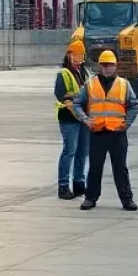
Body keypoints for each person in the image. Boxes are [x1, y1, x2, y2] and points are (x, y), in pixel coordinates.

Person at [71, 49, 138, 211]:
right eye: (104, 65)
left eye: (110, 65)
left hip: (117, 133)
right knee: (95, 167)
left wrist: (126, 123)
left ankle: (127, 199)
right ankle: (91, 198)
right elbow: (77, 103)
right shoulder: (91, 84)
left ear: (115, 66)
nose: (107, 68)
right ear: (99, 66)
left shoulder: (123, 84)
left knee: (120, 168)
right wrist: (86, 120)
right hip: (98, 132)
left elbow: (134, 105)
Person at [55, 40, 89, 199]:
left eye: (81, 55)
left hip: (84, 118)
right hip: (69, 118)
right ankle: (63, 186)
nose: (79, 58)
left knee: (82, 152)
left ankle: (79, 183)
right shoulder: (64, 73)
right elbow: (61, 95)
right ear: (69, 55)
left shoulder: (85, 72)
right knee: (70, 150)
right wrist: (75, 101)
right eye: (76, 54)